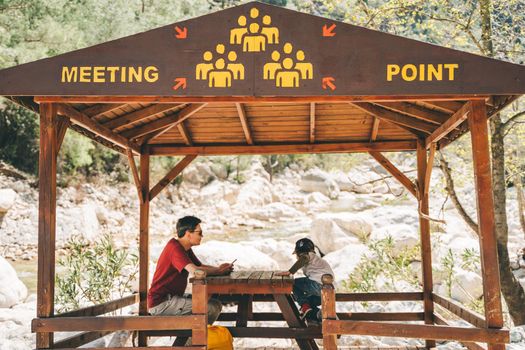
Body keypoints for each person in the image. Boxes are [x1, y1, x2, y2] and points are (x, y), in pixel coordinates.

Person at [147, 215, 234, 324]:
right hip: (162, 303)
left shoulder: (185, 248)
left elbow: (200, 266)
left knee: (215, 304)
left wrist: (220, 268)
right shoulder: (175, 248)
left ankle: (195, 338)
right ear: (188, 234)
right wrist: (219, 271)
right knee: (210, 308)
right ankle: (194, 340)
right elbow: (196, 271)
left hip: (173, 298)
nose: (202, 236)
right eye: (199, 233)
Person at [276, 238, 334, 322]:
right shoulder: (316, 259)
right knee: (309, 301)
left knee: (294, 283)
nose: (296, 257)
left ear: (299, 253)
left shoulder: (307, 256)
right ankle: (315, 313)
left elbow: (304, 258)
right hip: (328, 291)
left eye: (297, 255)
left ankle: (305, 307)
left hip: (318, 285)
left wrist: (290, 272)